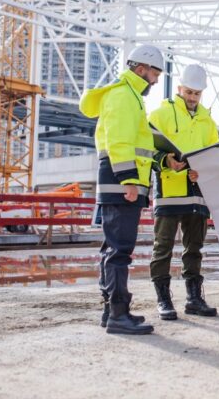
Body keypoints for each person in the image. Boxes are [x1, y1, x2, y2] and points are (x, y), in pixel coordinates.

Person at [79, 44, 163, 335]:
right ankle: (117, 314)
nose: (156, 79)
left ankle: (112, 310)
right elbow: (119, 141)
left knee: (113, 248)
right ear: (142, 69)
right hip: (121, 182)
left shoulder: (129, 97)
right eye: (155, 73)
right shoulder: (123, 96)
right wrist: (129, 180)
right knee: (119, 250)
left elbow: (136, 143)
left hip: (123, 182)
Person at [148, 64, 219, 320]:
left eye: (197, 93)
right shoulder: (161, 114)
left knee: (194, 248)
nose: (192, 97)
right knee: (163, 246)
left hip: (197, 192)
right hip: (169, 190)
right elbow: (146, 148)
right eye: (189, 91)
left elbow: (213, 156)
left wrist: (204, 170)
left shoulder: (207, 122)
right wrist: (166, 160)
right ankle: (164, 299)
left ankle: (194, 298)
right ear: (179, 88)